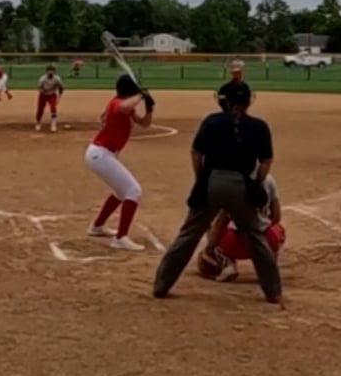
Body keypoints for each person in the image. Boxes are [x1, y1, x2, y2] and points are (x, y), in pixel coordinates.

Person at [154, 79, 282, 305]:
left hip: (212, 181)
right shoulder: (259, 126)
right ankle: (273, 292)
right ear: (248, 101)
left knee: (189, 234)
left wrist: (201, 179)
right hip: (241, 184)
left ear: (225, 101)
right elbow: (265, 161)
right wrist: (256, 184)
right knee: (255, 236)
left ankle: (161, 286)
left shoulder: (212, 121)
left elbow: (196, 153)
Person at [84, 74, 154, 251]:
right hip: (101, 154)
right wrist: (141, 94)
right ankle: (120, 238)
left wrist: (149, 108)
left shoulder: (125, 106)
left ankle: (97, 227)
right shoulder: (117, 103)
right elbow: (124, 107)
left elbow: (144, 123)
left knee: (121, 191)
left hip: (103, 154)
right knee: (133, 190)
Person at [200, 174, 285, 283]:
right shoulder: (268, 179)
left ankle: (227, 264)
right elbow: (276, 217)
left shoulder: (232, 181)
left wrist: (210, 249)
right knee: (279, 230)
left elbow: (220, 223)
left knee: (212, 227)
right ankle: (268, 263)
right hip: (265, 244)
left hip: (236, 246)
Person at [34, 64, 64, 131]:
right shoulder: (42, 78)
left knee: (53, 108)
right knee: (40, 109)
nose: (50, 72)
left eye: (52, 70)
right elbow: (39, 87)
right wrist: (42, 90)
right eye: (49, 70)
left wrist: (59, 96)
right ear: (46, 71)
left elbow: (61, 87)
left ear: (54, 71)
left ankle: (53, 124)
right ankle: (38, 122)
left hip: (52, 95)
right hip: (43, 95)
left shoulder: (57, 79)